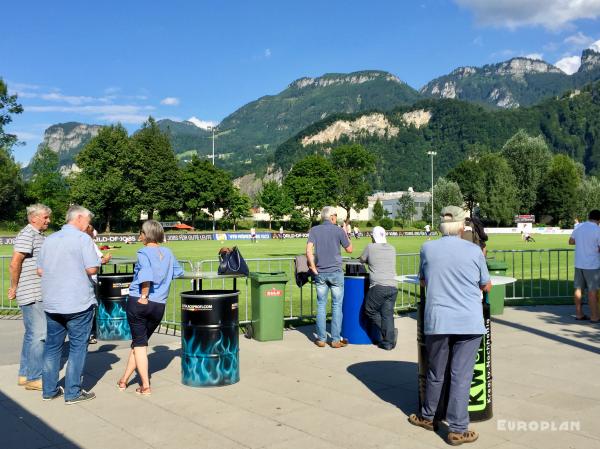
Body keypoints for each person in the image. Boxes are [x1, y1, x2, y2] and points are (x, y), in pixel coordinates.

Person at [409, 206, 491, 445]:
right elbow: (486, 285)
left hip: (438, 320)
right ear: (461, 226)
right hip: (468, 321)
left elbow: (423, 280)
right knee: (460, 376)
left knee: (436, 371)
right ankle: (457, 428)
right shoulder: (474, 251)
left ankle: (427, 416)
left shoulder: (427, 248)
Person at [38, 205, 101, 403]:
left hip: (53, 301)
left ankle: (49, 390)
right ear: (80, 218)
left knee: (52, 347)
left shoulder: (50, 239)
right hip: (77, 302)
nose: (88, 225)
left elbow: (40, 271)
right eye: (88, 221)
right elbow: (92, 268)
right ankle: (72, 392)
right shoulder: (83, 239)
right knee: (77, 347)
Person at [117, 220, 183, 395]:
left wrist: (144, 295)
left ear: (147, 235)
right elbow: (179, 272)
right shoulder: (168, 252)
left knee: (139, 345)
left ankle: (145, 385)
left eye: (141, 232)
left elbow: (146, 275)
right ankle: (124, 380)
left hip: (140, 302)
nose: (139, 236)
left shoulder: (144, 252)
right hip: (159, 305)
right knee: (139, 343)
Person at [8, 204, 51, 391]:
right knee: (40, 335)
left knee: (31, 335)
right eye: (45, 217)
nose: (48, 220)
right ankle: (35, 377)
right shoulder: (28, 234)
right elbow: (15, 262)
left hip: (35, 291)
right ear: (34, 218)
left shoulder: (37, 235)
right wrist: (14, 287)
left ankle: (25, 374)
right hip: (32, 292)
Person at [306, 206, 353, 348]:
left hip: (320, 272)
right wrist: (345, 232)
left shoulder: (314, 230)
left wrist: (313, 267)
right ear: (332, 216)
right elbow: (350, 249)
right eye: (336, 215)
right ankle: (335, 339)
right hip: (335, 272)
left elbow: (308, 250)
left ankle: (321, 338)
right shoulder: (338, 230)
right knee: (337, 306)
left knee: (321, 305)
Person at [359, 226, 398, 350]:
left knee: (369, 310)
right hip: (393, 286)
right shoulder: (392, 248)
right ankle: (388, 342)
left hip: (378, 286)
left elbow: (362, 259)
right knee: (387, 314)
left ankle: (389, 333)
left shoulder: (370, 247)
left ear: (373, 237)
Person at [569, 209, 600, 322]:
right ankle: (594, 316)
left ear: (589, 217)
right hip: (592, 265)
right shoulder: (598, 229)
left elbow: (571, 242)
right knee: (592, 291)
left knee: (578, 289)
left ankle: (579, 314)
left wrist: (583, 242)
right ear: (598, 220)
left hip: (579, 263)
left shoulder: (579, 227)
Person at [85, 225, 112, 344]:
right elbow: (101, 260)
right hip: (91, 280)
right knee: (91, 308)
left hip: (81, 280)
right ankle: (90, 333)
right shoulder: (89, 243)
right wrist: (106, 258)